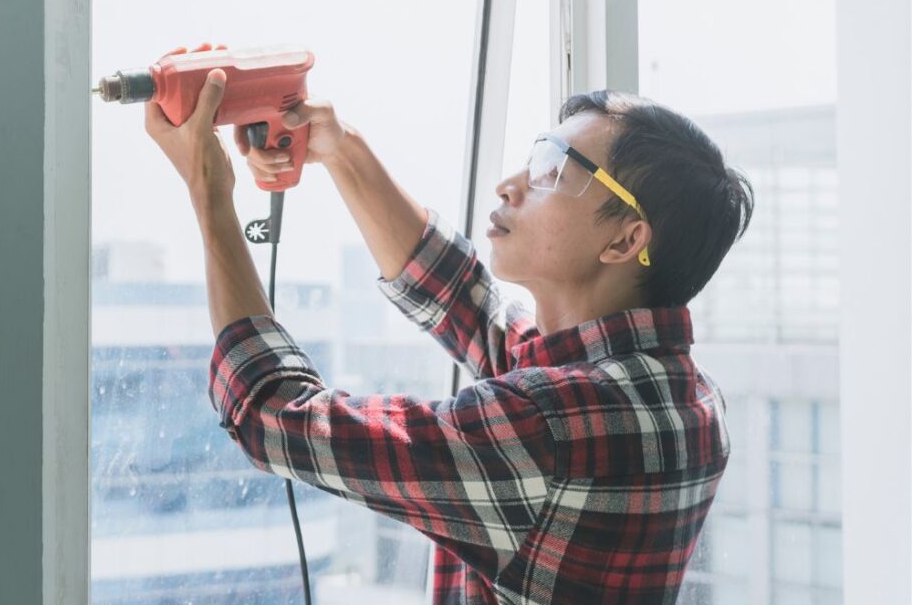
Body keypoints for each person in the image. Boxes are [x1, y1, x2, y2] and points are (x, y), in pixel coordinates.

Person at [145, 43, 755, 604]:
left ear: (626, 239)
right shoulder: (682, 392)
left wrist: (210, 193)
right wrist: (335, 144)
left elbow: (270, 412)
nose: (511, 185)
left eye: (553, 171)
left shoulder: (550, 426)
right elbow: (470, 304)